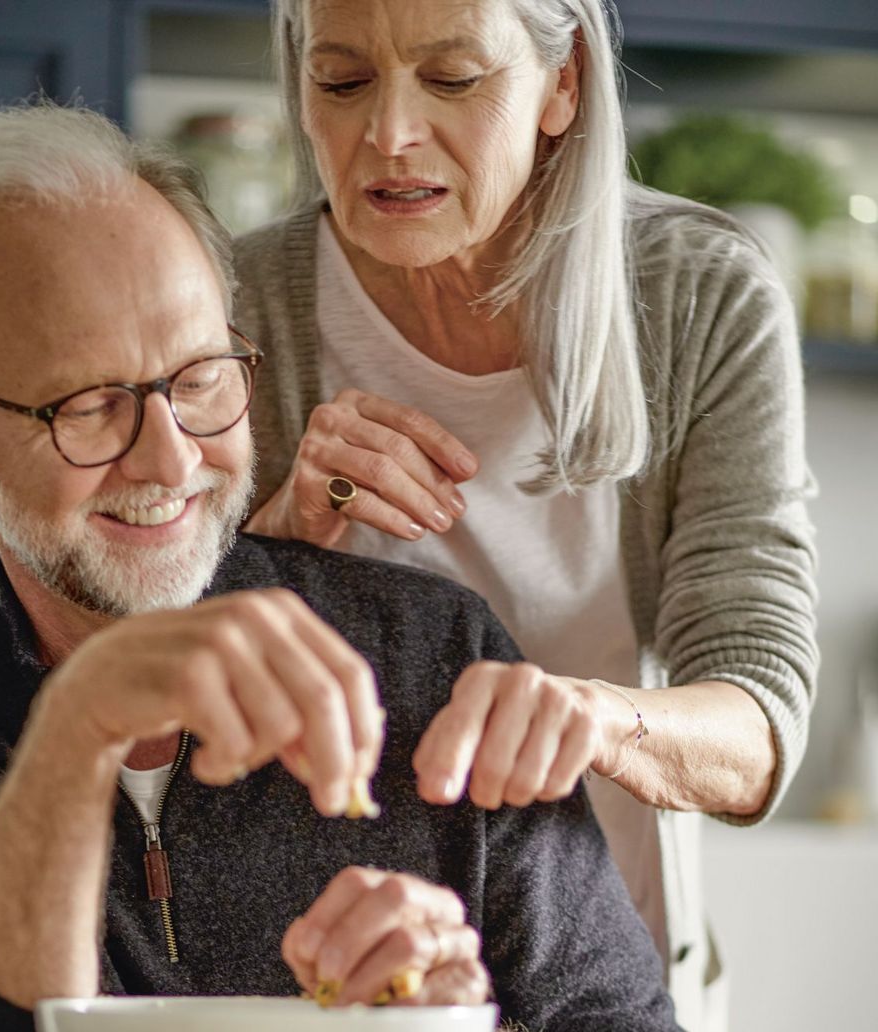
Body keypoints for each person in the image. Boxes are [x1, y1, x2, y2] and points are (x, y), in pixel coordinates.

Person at [0, 103, 680, 1032]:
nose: (169, 461)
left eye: (199, 379)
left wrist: (466, 1023)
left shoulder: (436, 656)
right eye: (87, 405)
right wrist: (77, 730)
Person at [234, 1, 819, 1028]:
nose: (389, 134)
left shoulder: (699, 298)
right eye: (341, 82)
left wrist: (594, 717)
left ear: (564, 83)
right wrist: (275, 543)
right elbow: (130, 677)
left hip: (604, 970)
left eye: (452, 80)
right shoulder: (238, 307)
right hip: (310, 975)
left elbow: (758, 724)